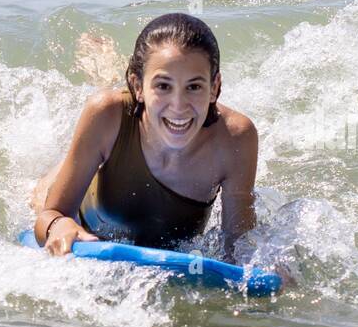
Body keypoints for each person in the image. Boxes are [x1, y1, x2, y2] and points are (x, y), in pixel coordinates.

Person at [30, 13, 259, 261]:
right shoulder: (105, 114)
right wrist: (59, 225)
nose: (179, 105)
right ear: (138, 86)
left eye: (194, 87)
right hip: (88, 199)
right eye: (163, 86)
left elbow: (239, 246)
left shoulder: (236, 138)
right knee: (40, 195)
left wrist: (265, 267)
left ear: (215, 88)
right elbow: (50, 215)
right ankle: (105, 73)